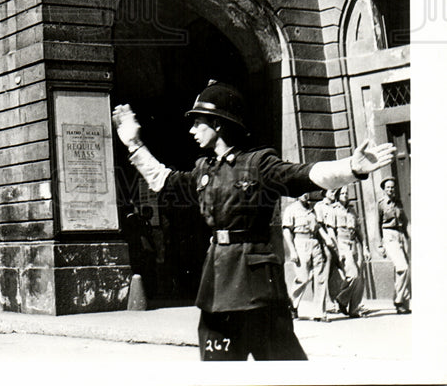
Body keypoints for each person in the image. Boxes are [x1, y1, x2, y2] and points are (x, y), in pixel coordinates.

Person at [112, 80, 395, 361]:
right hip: (216, 286)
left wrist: (350, 168)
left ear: (218, 124)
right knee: (218, 369)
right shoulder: (204, 169)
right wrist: (134, 144)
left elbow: (303, 175)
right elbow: (164, 181)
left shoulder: (259, 163)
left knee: (283, 370)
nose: (192, 130)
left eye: (198, 122)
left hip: (258, 289)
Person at [282, 192, 331, 321]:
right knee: (303, 277)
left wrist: (326, 238)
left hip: (315, 243)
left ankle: (319, 313)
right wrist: (292, 250)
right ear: (297, 194)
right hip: (300, 243)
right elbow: (287, 231)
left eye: (307, 192)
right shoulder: (291, 209)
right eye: (302, 192)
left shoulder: (312, 209)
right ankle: (292, 304)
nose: (306, 195)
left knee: (320, 278)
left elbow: (318, 227)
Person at [328, 188, 367, 317]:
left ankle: (354, 310)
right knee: (353, 275)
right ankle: (341, 299)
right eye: (342, 193)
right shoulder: (333, 210)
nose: (345, 196)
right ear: (338, 195)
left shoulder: (352, 210)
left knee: (360, 278)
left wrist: (365, 247)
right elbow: (331, 231)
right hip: (342, 243)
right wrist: (338, 250)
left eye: (346, 193)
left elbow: (359, 231)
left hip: (354, 243)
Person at [377, 177, 411, 314]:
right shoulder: (381, 203)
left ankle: (404, 304)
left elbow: (405, 221)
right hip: (389, 235)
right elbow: (377, 225)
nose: (391, 190)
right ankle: (398, 299)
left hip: (401, 236)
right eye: (388, 187)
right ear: (384, 189)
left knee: (404, 270)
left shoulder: (398, 202)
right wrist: (380, 244)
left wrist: (409, 237)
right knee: (403, 267)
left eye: (392, 187)